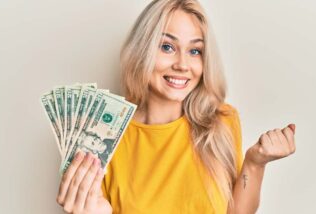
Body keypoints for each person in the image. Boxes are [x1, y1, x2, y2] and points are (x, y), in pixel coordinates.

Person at [56, 0, 296, 213]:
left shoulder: (222, 121)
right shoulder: (102, 136)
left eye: (195, 51)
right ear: (142, 50)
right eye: (167, 47)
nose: (183, 64)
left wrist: (254, 163)